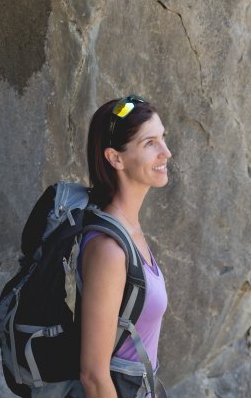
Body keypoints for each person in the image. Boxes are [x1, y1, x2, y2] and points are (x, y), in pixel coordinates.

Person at [80, 95, 172, 398]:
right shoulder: (109, 249)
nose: (166, 153)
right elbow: (93, 375)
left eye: (163, 139)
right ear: (115, 158)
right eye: (150, 143)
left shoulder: (129, 230)